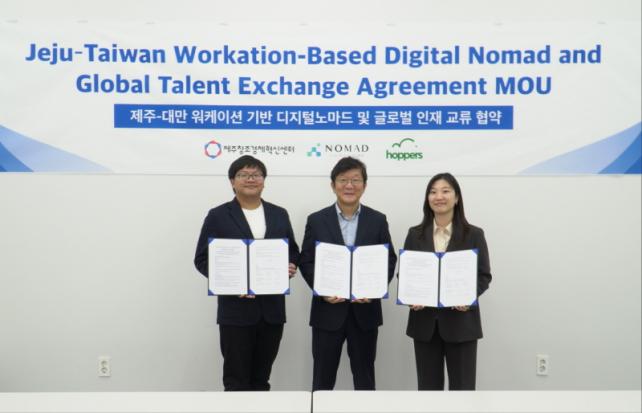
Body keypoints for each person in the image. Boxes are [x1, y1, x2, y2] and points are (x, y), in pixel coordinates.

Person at [193, 155, 300, 391]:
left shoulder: (279, 214)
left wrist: (291, 265)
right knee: (236, 380)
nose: (250, 179)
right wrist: (231, 282)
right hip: (236, 312)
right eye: (243, 175)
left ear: (264, 180)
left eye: (256, 175)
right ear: (232, 181)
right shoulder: (218, 215)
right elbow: (202, 259)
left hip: (272, 311)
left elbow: (292, 251)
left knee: (261, 379)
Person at [299, 156, 397, 391]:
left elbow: (389, 259)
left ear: (364, 185)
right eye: (343, 180)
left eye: (355, 180)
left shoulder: (377, 220)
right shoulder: (317, 220)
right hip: (327, 312)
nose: (349, 185)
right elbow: (306, 260)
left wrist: (373, 290)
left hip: (365, 313)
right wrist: (322, 290)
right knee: (322, 380)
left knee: (365, 379)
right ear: (333, 185)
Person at [403, 172, 491, 390]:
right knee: (428, 391)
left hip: (462, 325)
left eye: (445, 191)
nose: (439, 197)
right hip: (425, 325)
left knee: (462, 391)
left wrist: (468, 296)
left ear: (457, 197)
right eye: (433, 192)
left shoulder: (474, 234)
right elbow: (405, 274)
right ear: (427, 199)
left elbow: (484, 275)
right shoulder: (415, 234)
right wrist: (411, 296)